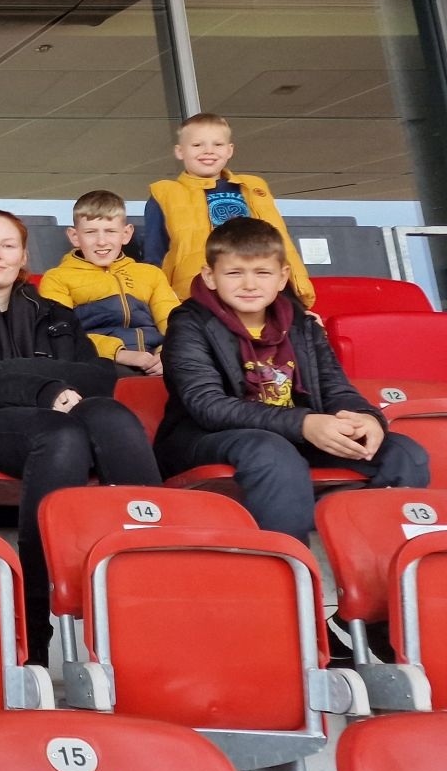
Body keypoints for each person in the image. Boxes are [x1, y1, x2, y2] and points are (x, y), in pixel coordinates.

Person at [0, 209, 161, 651]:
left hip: (58, 419)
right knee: (60, 434)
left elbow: (98, 376)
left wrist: (12, 373)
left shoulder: (56, 314)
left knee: (112, 416)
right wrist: (42, 387)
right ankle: (34, 617)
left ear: (24, 255)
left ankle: (153, 583)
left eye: (7, 245)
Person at [156, 217, 427, 541]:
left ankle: (375, 557)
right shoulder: (189, 323)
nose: (249, 284)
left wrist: (366, 418)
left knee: (403, 452)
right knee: (271, 451)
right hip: (207, 439)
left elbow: (335, 388)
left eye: (262, 273)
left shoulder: (302, 324)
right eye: (234, 273)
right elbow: (208, 405)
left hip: (295, 434)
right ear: (210, 277)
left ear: (282, 277)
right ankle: (291, 564)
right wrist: (304, 423)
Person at [144, 111, 315, 308]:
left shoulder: (253, 187)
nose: (208, 151)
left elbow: (282, 244)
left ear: (229, 150)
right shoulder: (165, 194)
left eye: (218, 144)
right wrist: (162, 308)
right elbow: (155, 257)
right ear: (180, 151)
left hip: (259, 293)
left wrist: (297, 304)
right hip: (198, 299)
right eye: (197, 145)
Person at [38, 190, 177, 377]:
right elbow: (62, 333)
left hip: (157, 359)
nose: (101, 242)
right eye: (91, 232)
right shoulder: (57, 278)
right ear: (74, 236)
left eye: (110, 231)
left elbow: (174, 322)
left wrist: (167, 353)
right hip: (101, 360)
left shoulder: (151, 274)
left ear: (126, 234)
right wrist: (120, 354)